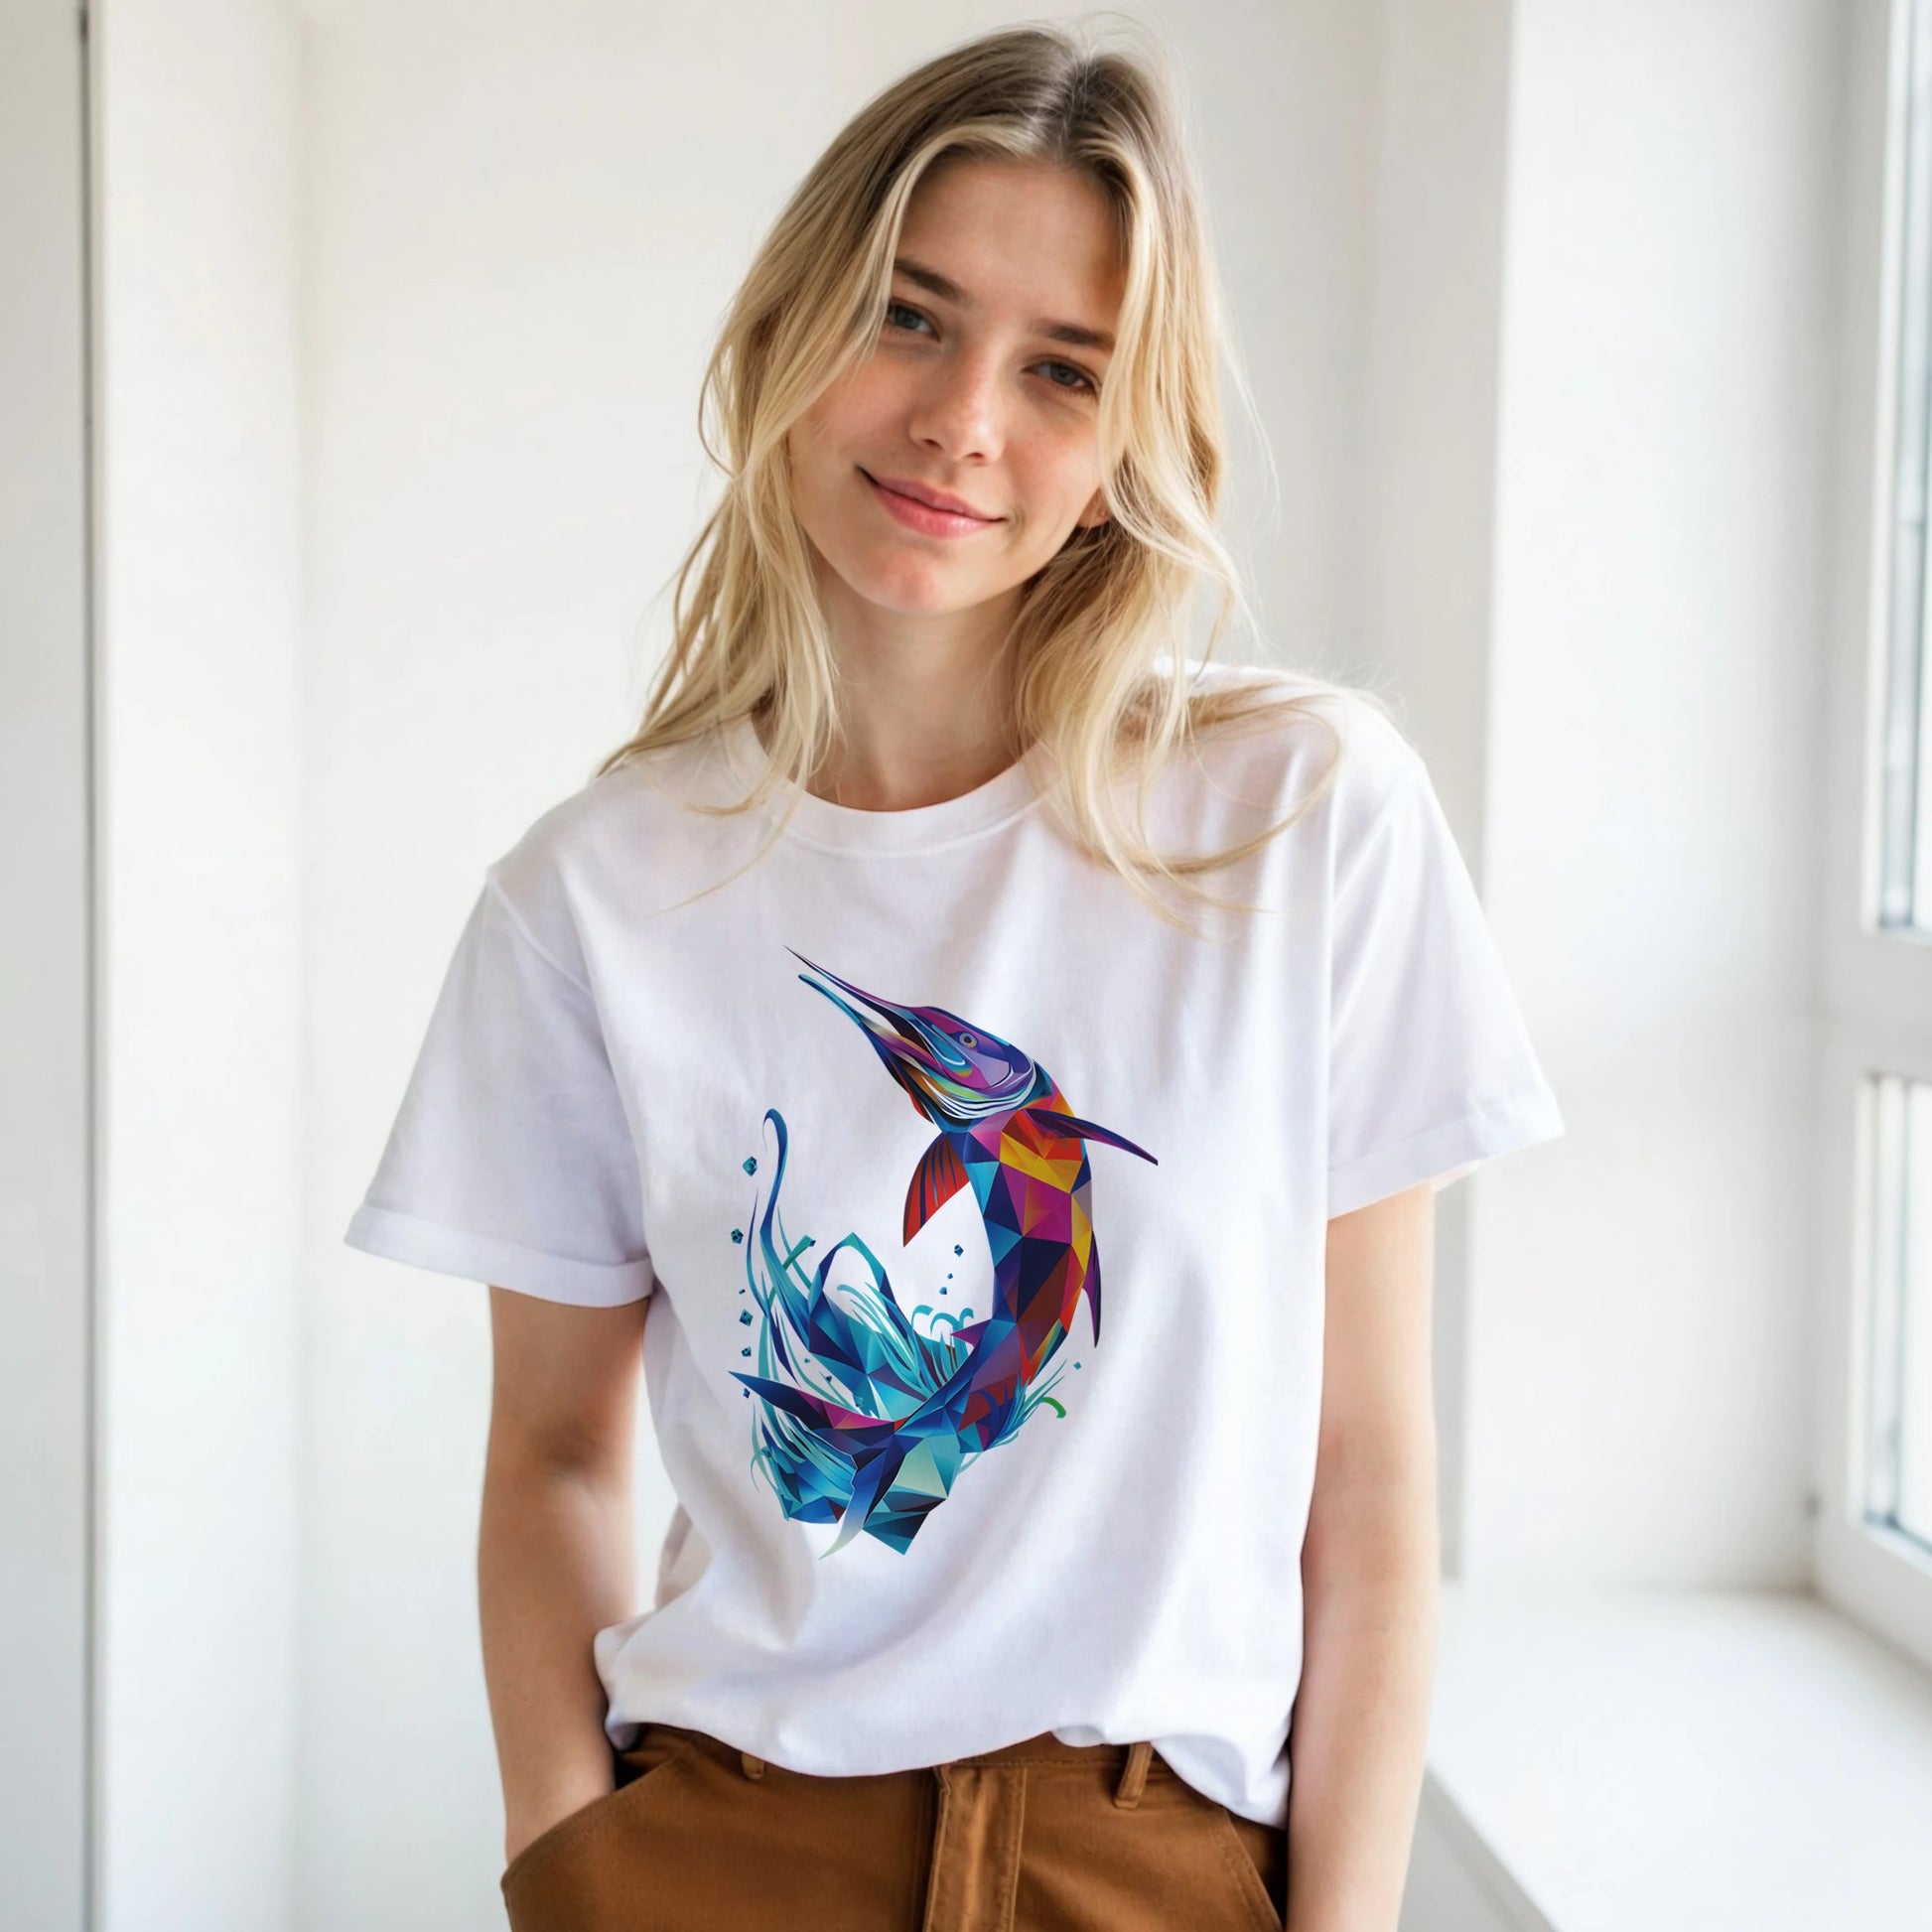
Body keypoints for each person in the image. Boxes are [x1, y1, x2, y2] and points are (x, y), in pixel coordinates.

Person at [344, 20, 1565, 1932]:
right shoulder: (591, 894)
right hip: (723, 1849)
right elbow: (557, 1449)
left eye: (1058, 368)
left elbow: (1370, 1469)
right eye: (908, 317)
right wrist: (569, 1865)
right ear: (787, 331)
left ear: (1121, 448)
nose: (960, 420)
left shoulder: (1305, 819)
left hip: (1156, 1856)